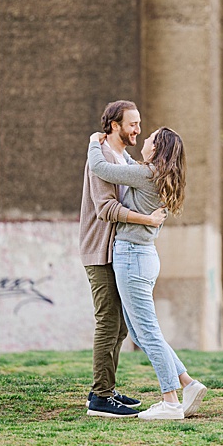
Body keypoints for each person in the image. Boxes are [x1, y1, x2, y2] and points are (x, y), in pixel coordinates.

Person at [86, 124, 207, 422]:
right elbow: (124, 163)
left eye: (151, 137)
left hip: (132, 258)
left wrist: (93, 141)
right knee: (142, 331)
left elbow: (101, 167)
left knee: (148, 333)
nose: (145, 138)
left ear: (157, 149)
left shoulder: (146, 174)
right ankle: (188, 384)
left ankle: (169, 400)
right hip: (144, 257)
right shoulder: (155, 175)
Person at [78, 99, 159, 418]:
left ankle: (105, 388)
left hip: (117, 251)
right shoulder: (101, 158)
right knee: (107, 321)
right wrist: (147, 220)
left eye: (139, 124)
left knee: (121, 325)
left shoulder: (121, 157)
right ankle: (100, 397)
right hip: (99, 250)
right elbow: (106, 209)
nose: (139, 129)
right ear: (115, 126)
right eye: (133, 124)